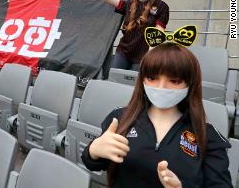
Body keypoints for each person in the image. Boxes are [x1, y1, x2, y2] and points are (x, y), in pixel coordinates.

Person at [81, 42, 233, 187]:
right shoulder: (120, 118)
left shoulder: (208, 137)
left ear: (190, 84)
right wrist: (93, 150)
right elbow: (94, 163)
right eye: (152, 78)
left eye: (174, 81)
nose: (161, 87)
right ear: (142, 80)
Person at [102, 0, 169, 70]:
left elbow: (158, 34)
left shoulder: (161, 6)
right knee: (114, 80)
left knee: (133, 85)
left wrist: (150, 56)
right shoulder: (129, 3)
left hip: (143, 55)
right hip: (123, 52)